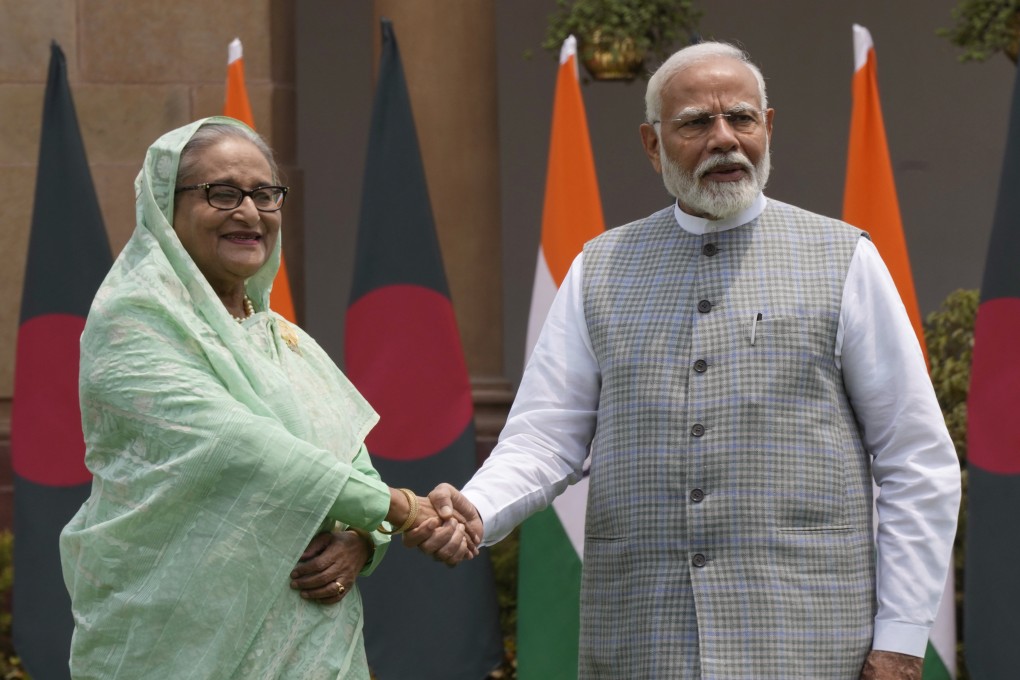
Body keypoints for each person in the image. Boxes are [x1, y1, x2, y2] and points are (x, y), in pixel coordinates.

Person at [409, 42, 961, 679]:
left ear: (768, 127)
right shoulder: (599, 268)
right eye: (697, 122)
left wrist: (900, 641)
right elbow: (544, 437)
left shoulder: (844, 260)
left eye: (742, 118)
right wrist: (476, 508)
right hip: (643, 638)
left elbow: (915, 458)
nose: (724, 139)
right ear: (652, 144)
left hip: (810, 642)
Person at [59, 117, 473, 680]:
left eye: (264, 194)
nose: (250, 213)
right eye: (222, 193)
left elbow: (350, 461)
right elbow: (239, 448)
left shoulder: (283, 338)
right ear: (165, 208)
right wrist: (402, 510)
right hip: (176, 640)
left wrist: (364, 537)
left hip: (312, 641)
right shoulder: (132, 322)